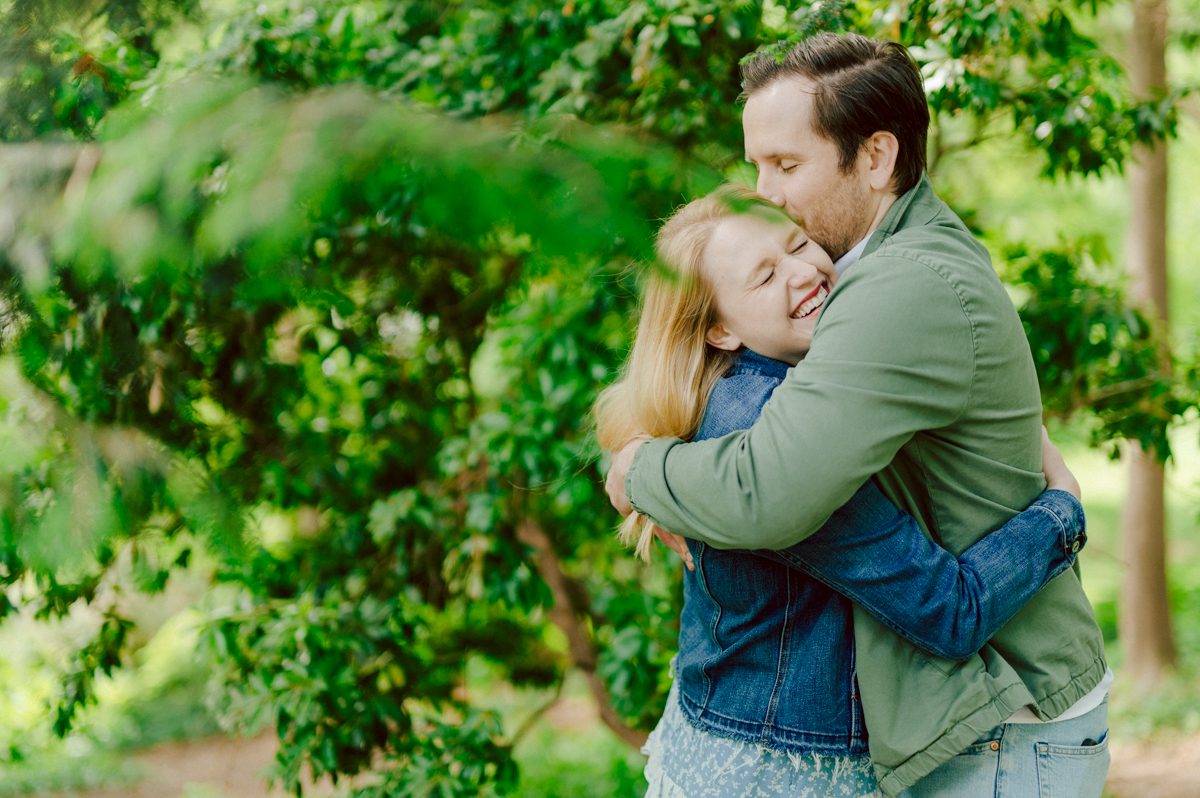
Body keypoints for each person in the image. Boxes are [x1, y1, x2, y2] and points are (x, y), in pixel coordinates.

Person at [604, 34, 1111, 797]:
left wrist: (638, 467)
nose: (762, 192)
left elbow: (766, 491)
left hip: (1009, 721)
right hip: (961, 718)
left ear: (875, 157)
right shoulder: (861, 273)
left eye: (785, 165)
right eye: (755, 166)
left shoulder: (897, 286)